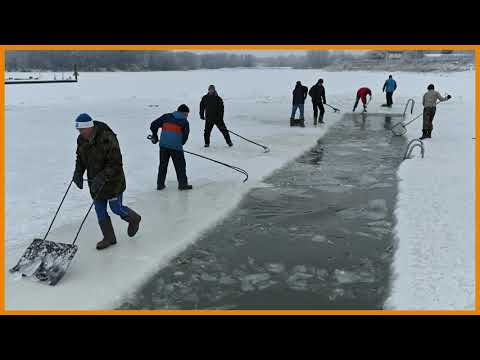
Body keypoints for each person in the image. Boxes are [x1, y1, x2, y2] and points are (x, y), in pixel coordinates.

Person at [72, 113, 141, 250]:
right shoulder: (81, 140)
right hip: (95, 182)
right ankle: (109, 238)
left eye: (82, 130)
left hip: (113, 182)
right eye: (78, 130)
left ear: (90, 127)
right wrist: (78, 173)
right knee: (99, 210)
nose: (80, 133)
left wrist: (102, 177)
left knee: (116, 208)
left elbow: (116, 164)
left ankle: (134, 218)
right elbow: (80, 158)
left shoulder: (107, 137)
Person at [150, 104, 193, 191]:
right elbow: (185, 137)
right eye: (187, 114)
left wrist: (155, 136)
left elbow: (153, 125)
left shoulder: (167, 116)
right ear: (184, 113)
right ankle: (183, 185)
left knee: (163, 165)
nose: (187, 116)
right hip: (176, 148)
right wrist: (179, 143)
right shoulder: (184, 122)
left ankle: (160, 185)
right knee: (180, 166)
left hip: (163, 146)